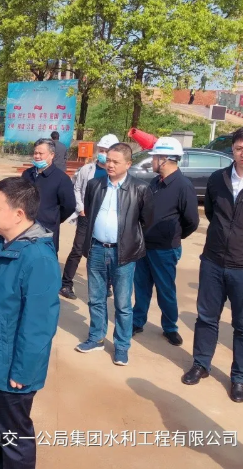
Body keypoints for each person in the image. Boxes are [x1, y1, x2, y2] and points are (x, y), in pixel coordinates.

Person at [0, 177, 60, 469]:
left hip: (11, 369)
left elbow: (39, 325)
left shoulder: (38, 258)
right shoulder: (1, 245)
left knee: (14, 435)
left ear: (18, 214)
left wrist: (23, 370)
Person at [182, 126, 243, 403]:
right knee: (206, 317)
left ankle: (239, 378)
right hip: (213, 261)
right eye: (239, 148)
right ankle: (201, 364)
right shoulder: (219, 178)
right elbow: (212, 212)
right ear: (233, 150)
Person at [75, 143, 154, 366]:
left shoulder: (140, 189)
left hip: (123, 253)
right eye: (108, 160)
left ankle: (121, 346)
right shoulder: (95, 185)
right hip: (97, 249)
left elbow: (147, 221)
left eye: (115, 161)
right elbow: (89, 213)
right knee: (96, 298)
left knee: (122, 303)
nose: (109, 164)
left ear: (128, 164)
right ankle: (96, 338)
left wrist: (130, 241)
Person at [132, 137, 199, 346]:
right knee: (141, 288)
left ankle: (170, 327)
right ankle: (137, 321)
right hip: (145, 246)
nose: (152, 161)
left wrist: (175, 236)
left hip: (165, 249)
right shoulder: (155, 182)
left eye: (155, 157)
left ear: (165, 158)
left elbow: (192, 221)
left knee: (165, 290)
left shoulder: (183, 186)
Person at [60, 134, 119, 300]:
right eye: (101, 149)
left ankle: (106, 285)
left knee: (106, 251)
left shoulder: (115, 172)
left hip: (106, 218)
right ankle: (66, 284)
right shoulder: (87, 169)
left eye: (106, 150)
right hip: (86, 216)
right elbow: (77, 188)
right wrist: (81, 208)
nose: (103, 153)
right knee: (78, 249)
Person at [20, 138, 76, 252]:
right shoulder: (27, 174)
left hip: (47, 230)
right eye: (35, 153)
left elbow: (69, 206)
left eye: (41, 153)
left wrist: (54, 218)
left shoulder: (61, 178)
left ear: (52, 155)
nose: (37, 156)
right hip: (25, 228)